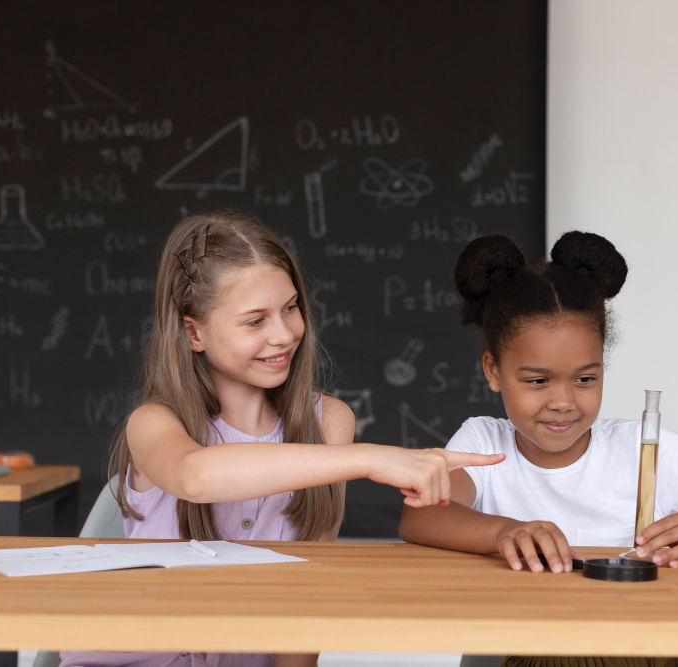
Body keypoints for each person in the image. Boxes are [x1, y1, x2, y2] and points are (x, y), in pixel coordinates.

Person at [60, 211, 502, 667]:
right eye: (255, 321)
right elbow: (194, 476)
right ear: (194, 332)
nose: (286, 334)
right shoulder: (154, 422)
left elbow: (308, 596)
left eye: (290, 308)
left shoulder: (328, 422)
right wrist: (369, 459)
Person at [399, 231, 678, 667]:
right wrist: (503, 531)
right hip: (530, 650)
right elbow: (421, 514)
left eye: (586, 379)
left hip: (648, 649)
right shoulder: (483, 443)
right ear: (493, 370)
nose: (564, 401)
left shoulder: (645, 449)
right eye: (537, 381)